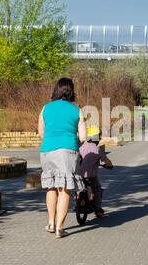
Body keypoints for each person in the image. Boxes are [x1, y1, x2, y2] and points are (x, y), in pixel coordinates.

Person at [38, 78, 87, 239]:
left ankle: (51, 223)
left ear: (56, 90)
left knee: (51, 187)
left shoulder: (45, 108)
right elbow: (84, 136)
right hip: (67, 151)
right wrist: (74, 144)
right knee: (64, 188)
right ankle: (60, 227)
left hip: (47, 151)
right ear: (71, 91)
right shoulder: (76, 110)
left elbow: (41, 133)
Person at [79, 125, 113, 218]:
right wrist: (109, 165)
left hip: (79, 175)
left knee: (80, 188)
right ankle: (98, 208)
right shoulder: (98, 149)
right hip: (91, 175)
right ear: (97, 137)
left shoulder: (81, 147)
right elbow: (107, 161)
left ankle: (79, 201)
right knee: (97, 188)